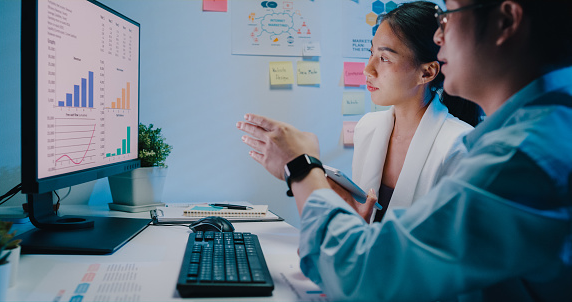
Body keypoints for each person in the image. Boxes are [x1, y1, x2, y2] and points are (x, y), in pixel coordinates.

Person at [237, 0, 572, 300]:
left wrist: (301, 166)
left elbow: (365, 274)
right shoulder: (524, 136)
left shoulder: (519, 157)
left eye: (448, 14)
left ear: (505, 21)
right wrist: (350, 221)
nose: (440, 36)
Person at [352, 2, 477, 222]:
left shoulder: (459, 146)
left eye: (384, 58)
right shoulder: (367, 128)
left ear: (427, 72)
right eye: (371, 53)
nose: (367, 69)